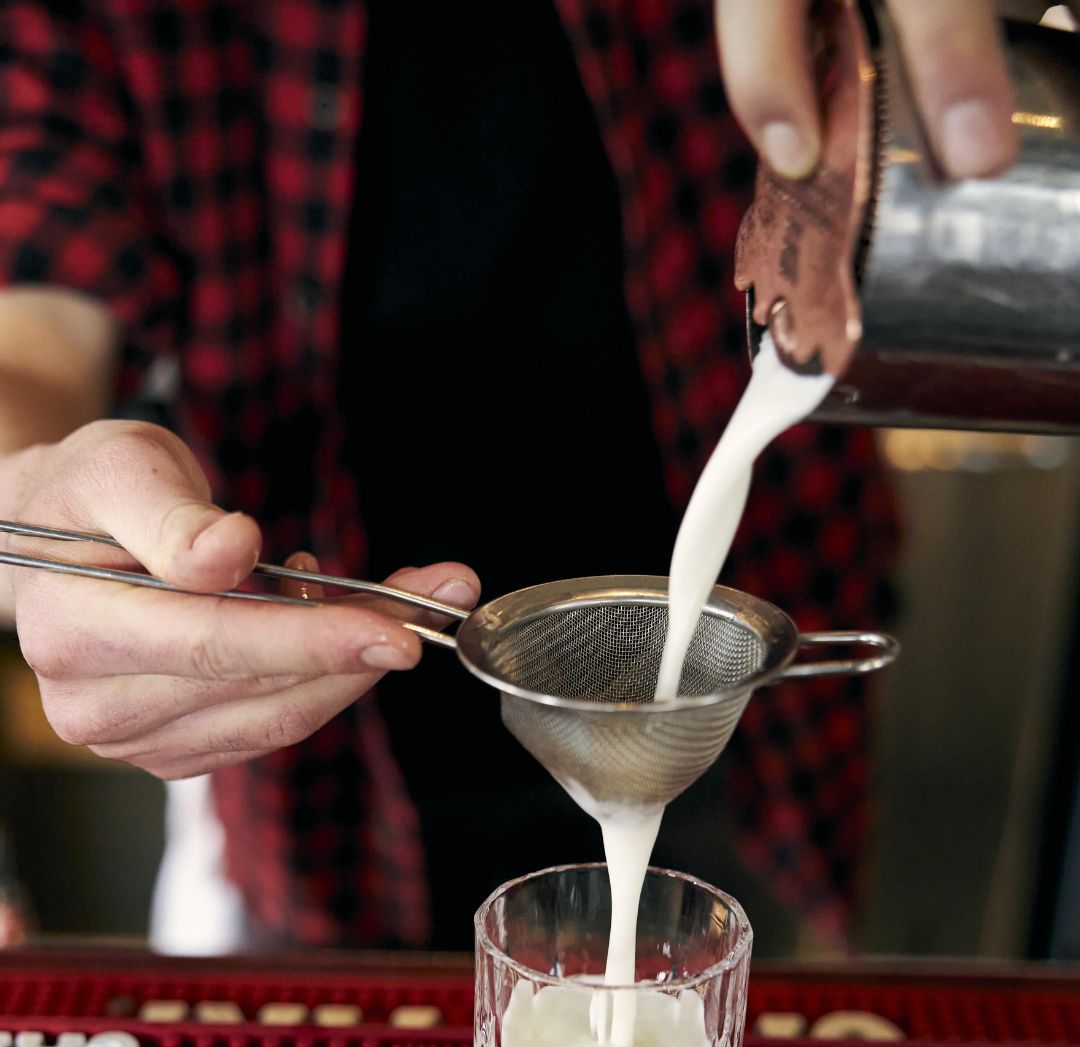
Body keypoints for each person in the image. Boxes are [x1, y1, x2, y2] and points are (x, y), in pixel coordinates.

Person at [0, 2, 1023, 954]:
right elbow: (33, 328)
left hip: (756, 733)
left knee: (726, 1032)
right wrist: (32, 485)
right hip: (317, 782)